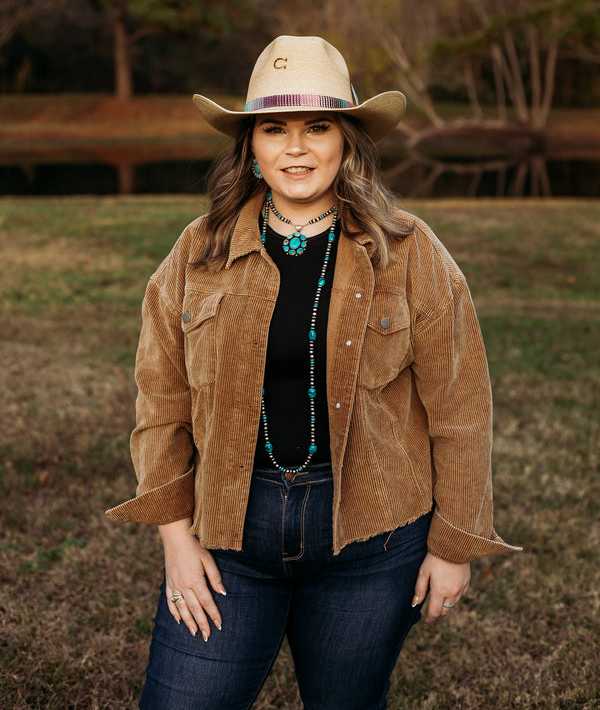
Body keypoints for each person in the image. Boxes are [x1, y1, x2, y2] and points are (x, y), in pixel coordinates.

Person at [107, 35, 520, 710]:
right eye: (275, 128)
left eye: (317, 126)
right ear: (252, 148)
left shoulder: (411, 252)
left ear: (347, 140)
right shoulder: (198, 251)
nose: (296, 148)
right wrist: (175, 539)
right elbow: (160, 402)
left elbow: (461, 406)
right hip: (228, 534)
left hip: (374, 539)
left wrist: (454, 546)